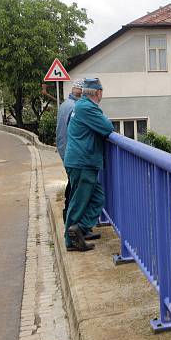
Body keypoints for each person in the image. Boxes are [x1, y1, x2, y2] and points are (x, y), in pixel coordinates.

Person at [63, 78, 114, 252]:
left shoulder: (79, 106)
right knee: (78, 202)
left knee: (97, 198)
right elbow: (107, 127)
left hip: (81, 161)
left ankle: (80, 230)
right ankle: (71, 240)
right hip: (83, 162)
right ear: (98, 92)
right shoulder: (87, 108)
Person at [56, 79, 84, 223]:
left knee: (72, 184)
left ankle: (68, 217)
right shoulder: (75, 108)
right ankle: (71, 221)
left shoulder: (64, 104)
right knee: (76, 187)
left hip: (63, 149)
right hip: (71, 153)